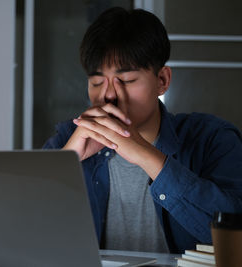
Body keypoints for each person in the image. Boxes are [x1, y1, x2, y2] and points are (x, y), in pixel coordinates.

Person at [43, 7, 242, 254]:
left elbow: (235, 238)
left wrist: (145, 155)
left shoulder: (212, 138)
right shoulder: (68, 140)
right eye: (96, 82)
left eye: (126, 80)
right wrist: (65, 164)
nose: (108, 94)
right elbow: (25, 233)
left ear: (162, 81)